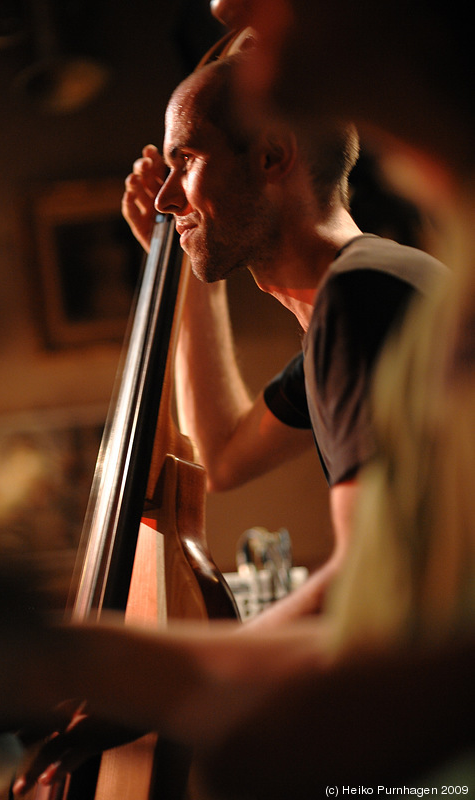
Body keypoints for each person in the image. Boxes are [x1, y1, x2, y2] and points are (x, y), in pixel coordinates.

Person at [122, 51, 447, 619]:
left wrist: (182, 684)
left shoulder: (362, 299)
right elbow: (221, 456)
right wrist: (189, 255)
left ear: (272, 154)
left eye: (188, 158)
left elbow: (372, 580)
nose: (165, 199)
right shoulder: (361, 294)